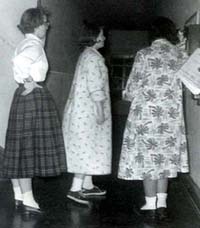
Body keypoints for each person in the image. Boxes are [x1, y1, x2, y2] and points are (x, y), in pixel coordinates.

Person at [118, 17, 189, 221]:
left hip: (146, 117)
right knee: (164, 159)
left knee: (149, 160)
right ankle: (163, 207)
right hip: (171, 118)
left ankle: (150, 207)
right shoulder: (180, 55)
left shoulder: (144, 54)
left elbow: (131, 90)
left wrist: (126, 94)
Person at [2, 7, 67, 214]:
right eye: (45, 23)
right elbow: (20, 62)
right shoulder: (34, 45)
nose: (47, 26)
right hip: (31, 97)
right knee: (27, 148)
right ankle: (28, 199)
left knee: (19, 147)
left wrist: (25, 81)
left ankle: (19, 195)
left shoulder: (25, 42)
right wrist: (30, 81)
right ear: (37, 24)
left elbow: (18, 61)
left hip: (23, 96)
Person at [62, 27, 112, 205]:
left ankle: (88, 185)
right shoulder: (92, 58)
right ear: (93, 37)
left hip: (82, 110)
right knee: (86, 147)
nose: (104, 37)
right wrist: (99, 109)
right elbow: (94, 85)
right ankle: (75, 189)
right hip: (88, 111)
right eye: (101, 35)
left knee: (90, 146)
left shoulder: (87, 54)